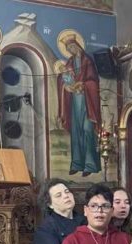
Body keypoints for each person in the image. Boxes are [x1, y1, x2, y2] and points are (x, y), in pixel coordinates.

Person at [57, 35, 102, 177]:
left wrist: (84, 85)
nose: (71, 50)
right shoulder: (70, 62)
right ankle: (77, 164)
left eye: (72, 46)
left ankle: (90, 165)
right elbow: (63, 78)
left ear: (78, 45)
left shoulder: (87, 61)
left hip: (87, 102)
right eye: (68, 48)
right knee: (76, 132)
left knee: (87, 130)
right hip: (74, 104)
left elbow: (93, 81)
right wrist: (66, 86)